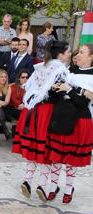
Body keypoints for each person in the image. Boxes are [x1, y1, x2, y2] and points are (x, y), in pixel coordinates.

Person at [12, 40, 71, 202]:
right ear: (60, 54)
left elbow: (29, 88)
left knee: (34, 149)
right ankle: (42, 186)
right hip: (48, 112)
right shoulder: (60, 69)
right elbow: (60, 94)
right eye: (68, 52)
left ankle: (27, 180)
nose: (69, 54)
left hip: (32, 111)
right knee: (46, 150)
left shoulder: (40, 67)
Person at [44, 44, 93, 204]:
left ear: (91, 57)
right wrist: (54, 88)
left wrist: (69, 90)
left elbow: (81, 102)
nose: (77, 55)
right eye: (78, 52)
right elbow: (61, 95)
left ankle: (68, 188)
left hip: (79, 120)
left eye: (82, 52)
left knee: (71, 159)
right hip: (62, 115)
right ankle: (52, 187)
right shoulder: (69, 70)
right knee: (56, 156)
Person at [0, 14, 17, 79]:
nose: (6, 23)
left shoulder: (13, 31)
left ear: (11, 22)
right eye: (5, 21)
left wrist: (3, 40)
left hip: (8, 54)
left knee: (7, 73)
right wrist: (8, 41)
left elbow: (14, 42)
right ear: (2, 21)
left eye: (8, 21)